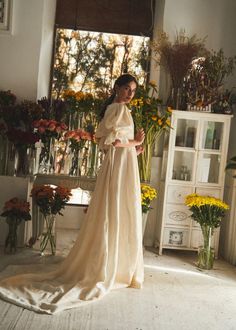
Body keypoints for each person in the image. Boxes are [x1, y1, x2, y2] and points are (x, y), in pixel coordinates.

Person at [0, 73, 145, 314]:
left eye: (134, 90)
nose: (131, 94)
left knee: (120, 209)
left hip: (124, 166)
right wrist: (134, 141)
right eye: (127, 88)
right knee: (116, 209)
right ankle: (110, 266)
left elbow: (118, 145)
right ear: (117, 88)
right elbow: (112, 142)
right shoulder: (117, 108)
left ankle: (117, 264)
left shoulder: (121, 109)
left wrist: (135, 149)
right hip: (118, 167)